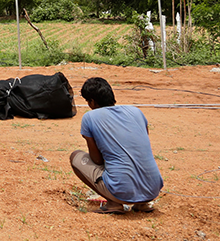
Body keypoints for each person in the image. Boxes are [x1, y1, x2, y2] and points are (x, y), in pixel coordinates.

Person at [70, 77, 164, 214]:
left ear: (92, 101)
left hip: (121, 190)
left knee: (75, 157)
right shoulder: (136, 112)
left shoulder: (90, 117)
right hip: (153, 188)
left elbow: (97, 160)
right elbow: (141, 146)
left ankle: (113, 203)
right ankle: (143, 204)